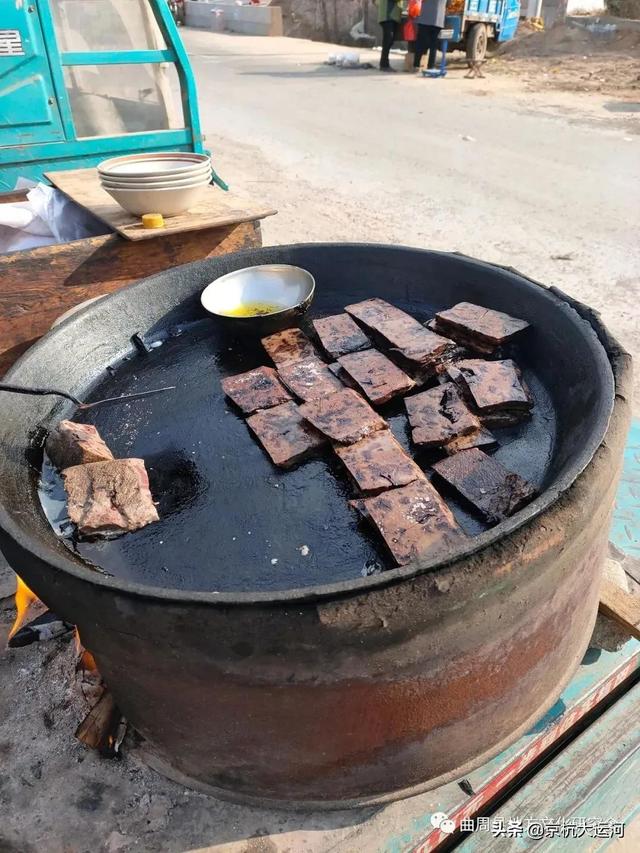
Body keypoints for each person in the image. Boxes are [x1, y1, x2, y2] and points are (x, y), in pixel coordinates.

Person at [413, 0, 447, 72]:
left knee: (420, 43)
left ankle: (416, 65)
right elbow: (449, 4)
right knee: (433, 45)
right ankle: (430, 67)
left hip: (424, 19)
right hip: (437, 19)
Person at [377, 0, 402, 72]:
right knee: (388, 40)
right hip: (388, 16)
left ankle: (384, 63)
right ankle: (384, 64)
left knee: (389, 41)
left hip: (390, 16)